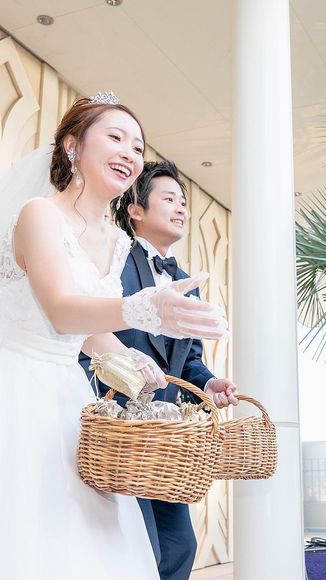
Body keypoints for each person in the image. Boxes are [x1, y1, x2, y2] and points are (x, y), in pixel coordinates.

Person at [0, 93, 228, 579]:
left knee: (89, 542)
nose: (130, 152)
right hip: (17, 387)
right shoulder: (39, 214)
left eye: (138, 146)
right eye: (116, 137)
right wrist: (144, 309)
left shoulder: (117, 240)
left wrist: (132, 359)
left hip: (69, 401)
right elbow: (60, 310)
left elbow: (89, 335)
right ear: (72, 146)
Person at [81, 159, 239, 580]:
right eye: (169, 199)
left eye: (183, 201)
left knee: (180, 545)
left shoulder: (186, 280)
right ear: (135, 209)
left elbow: (187, 359)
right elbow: (85, 332)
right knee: (139, 546)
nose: (181, 207)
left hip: (165, 438)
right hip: (115, 430)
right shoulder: (113, 257)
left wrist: (210, 383)